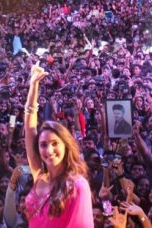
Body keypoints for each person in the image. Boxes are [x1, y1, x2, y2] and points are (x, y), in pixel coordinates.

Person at [23, 60, 93, 227]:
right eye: (43, 145)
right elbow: (30, 128)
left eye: (55, 143)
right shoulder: (39, 176)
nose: (49, 150)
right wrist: (33, 86)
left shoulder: (77, 185)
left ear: (66, 146)